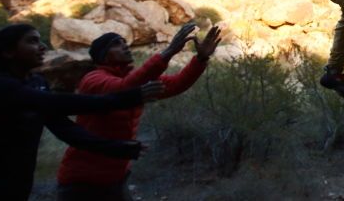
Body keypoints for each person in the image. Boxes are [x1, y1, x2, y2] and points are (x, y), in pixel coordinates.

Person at [0, 23, 164, 201]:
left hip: (18, 182)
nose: (42, 47)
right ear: (8, 52)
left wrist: (113, 147)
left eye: (40, 40)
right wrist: (129, 97)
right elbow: (58, 103)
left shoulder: (37, 83)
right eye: (32, 41)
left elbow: (64, 128)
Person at [56, 23, 221, 201]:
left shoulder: (134, 78)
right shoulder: (93, 79)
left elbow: (176, 84)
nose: (125, 46)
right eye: (117, 44)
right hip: (82, 181)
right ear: (103, 56)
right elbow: (123, 89)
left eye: (124, 42)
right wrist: (170, 51)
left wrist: (201, 59)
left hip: (115, 178)